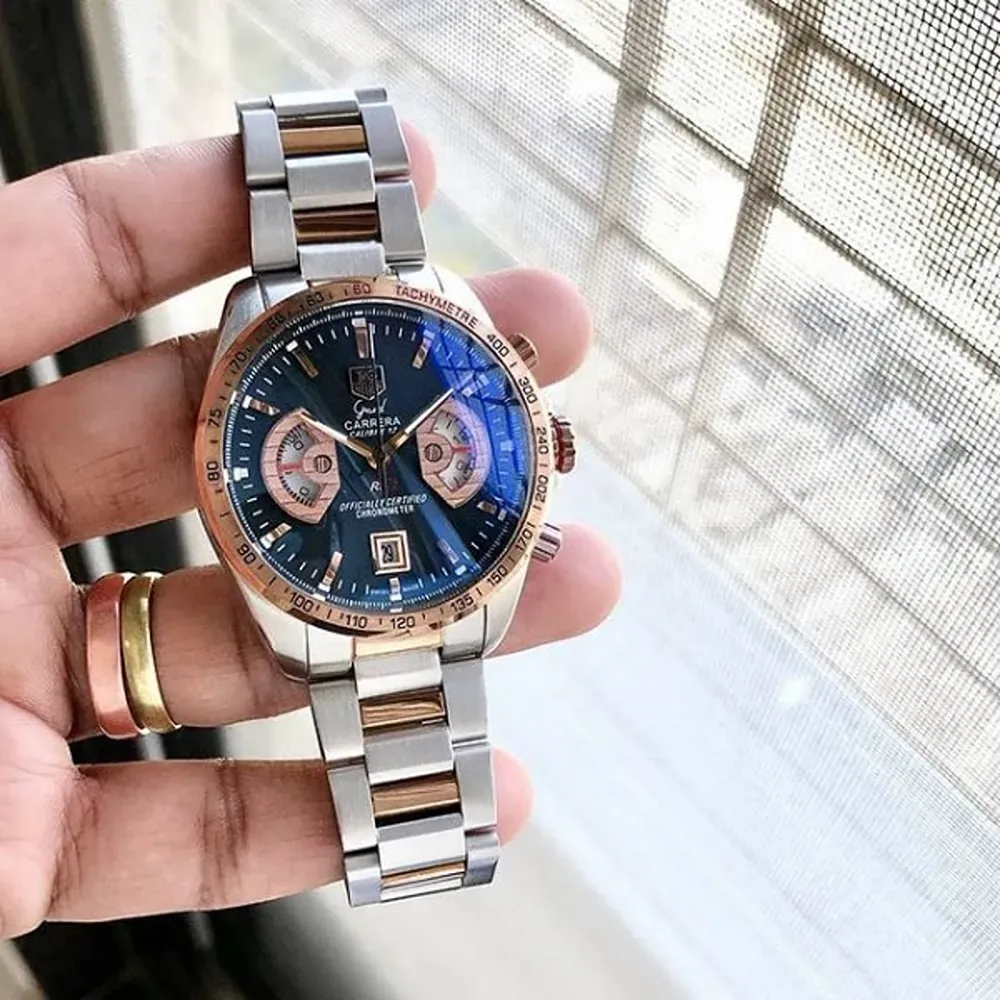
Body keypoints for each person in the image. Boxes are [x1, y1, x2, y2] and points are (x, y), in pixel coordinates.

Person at [0, 123, 621, 938]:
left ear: (547, 444)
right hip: (342, 586)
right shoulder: (258, 366)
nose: (382, 461)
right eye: (320, 455)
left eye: (437, 447)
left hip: (395, 579)